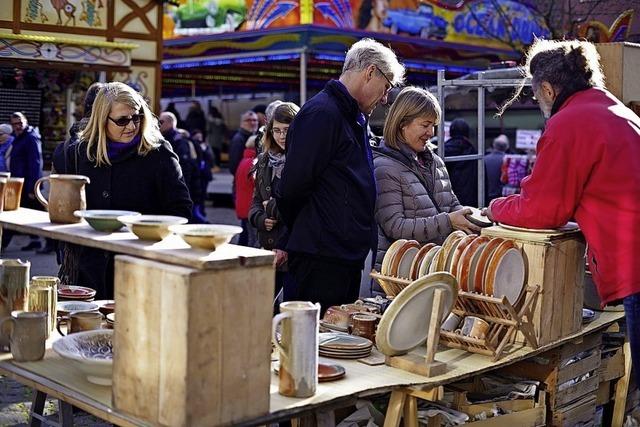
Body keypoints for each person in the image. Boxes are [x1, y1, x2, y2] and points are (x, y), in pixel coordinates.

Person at [485, 39, 640, 387]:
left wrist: (495, 207)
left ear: (548, 89)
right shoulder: (615, 109)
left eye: (536, 94)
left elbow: (543, 210)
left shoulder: (569, 123)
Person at [276, 38, 405, 313]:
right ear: (370, 72)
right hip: (321, 258)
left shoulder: (350, 116)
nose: (384, 98)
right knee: (314, 342)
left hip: (339, 256)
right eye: (386, 87)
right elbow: (292, 188)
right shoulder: (322, 114)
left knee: (337, 343)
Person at [53, 82, 192, 299]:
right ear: (101, 119)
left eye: (136, 117)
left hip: (141, 267)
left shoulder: (159, 154)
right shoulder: (80, 152)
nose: (131, 126)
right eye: (122, 120)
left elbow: (181, 210)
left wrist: (149, 233)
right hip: (90, 269)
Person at [373, 87, 480, 291]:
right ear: (402, 123)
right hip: (399, 278)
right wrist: (448, 221)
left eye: (433, 126)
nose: (431, 133)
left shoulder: (435, 162)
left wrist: (473, 215)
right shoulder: (384, 167)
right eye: (425, 125)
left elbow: (451, 204)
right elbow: (395, 226)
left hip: (432, 272)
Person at [249, 102, 300, 304]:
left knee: (289, 308)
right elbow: (255, 201)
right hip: (267, 246)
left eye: (286, 130)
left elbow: (298, 206)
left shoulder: (301, 160)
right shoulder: (264, 160)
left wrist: (270, 206)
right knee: (262, 308)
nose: (281, 136)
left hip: (291, 249)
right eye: (277, 130)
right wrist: (260, 218)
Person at [159, 112, 205, 223]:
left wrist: (183, 189)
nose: (158, 124)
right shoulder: (167, 138)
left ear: (170, 123)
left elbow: (185, 168)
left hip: (183, 186)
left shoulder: (179, 140)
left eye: (161, 122)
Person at [8, 112, 43, 251]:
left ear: (26, 122)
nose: (18, 126)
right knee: (28, 213)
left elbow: (35, 164)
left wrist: (32, 188)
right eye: (15, 124)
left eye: (20, 123)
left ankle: (50, 242)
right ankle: (36, 241)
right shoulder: (18, 138)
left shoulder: (30, 138)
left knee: (36, 213)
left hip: (29, 184)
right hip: (20, 183)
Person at [444, 118, 477, 207]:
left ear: (451, 132)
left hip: (449, 203)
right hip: (471, 203)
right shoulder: (474, 152)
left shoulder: (442, 151)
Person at [234, 137, 258, 247]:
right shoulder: (254, 162)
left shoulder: (243, 161)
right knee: (254, 240)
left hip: (244, 205)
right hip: (251, 206)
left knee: (249, 238)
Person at [191, 129, 214, 220]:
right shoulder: (192, 145)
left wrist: (205, 150)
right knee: (198, 195)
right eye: (197, 137)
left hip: (205, 174)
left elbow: (211, 159)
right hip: (197, 174)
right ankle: (198, 212)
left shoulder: (206, 146)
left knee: (203, 194)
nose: (199, 139)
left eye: (200, 137)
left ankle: (202, 211)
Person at [228, 110, 258, 177]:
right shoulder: (238, 139)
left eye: (255, 120)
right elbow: (234, 166)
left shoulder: (255, 137)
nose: (252, 123)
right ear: (241, 123)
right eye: (248, 120)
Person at [484, 134, 509, 203]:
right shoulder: (508, 161)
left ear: (494, 145)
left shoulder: (484, 159)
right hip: (501, 197)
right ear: (507, 147)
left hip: (485, 195)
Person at [205, 105, 226, 171]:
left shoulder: (210, 121)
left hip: (212, 139)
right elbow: (223, 130)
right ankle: (218, 166)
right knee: (218, 154)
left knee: (213, 154)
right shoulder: (221, 119)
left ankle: (215, 167)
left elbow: (208, 129)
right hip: (219, 139)